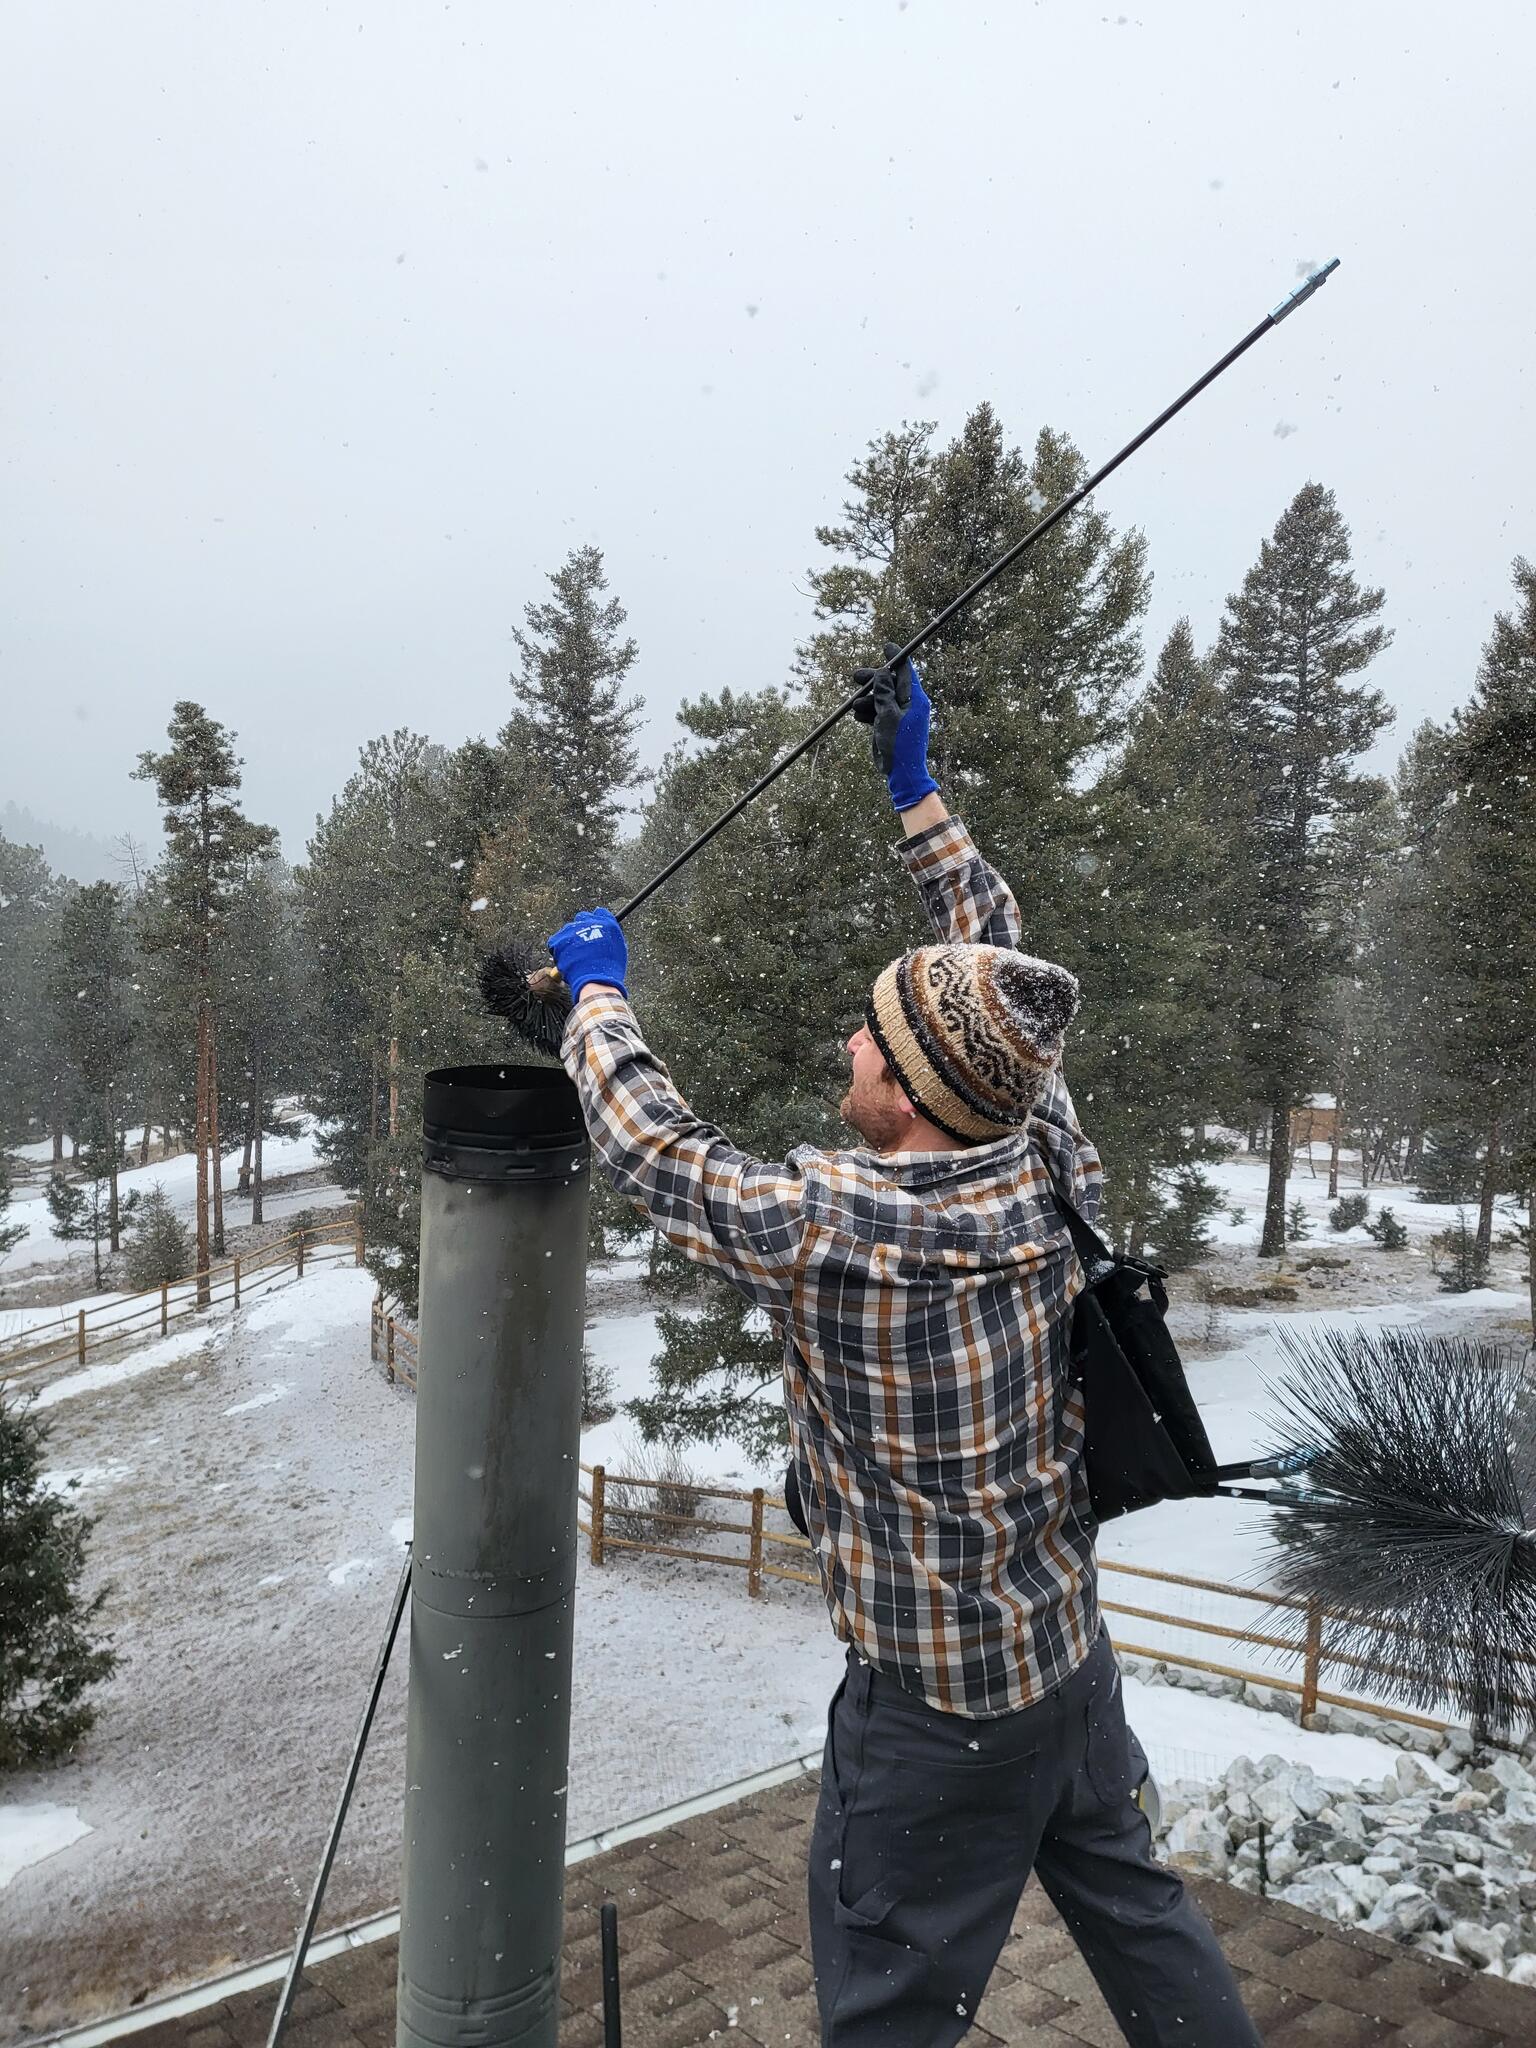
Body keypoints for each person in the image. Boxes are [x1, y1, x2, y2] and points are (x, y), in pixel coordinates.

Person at [550, 655, 1260, 2047]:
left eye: (869, 1039)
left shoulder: (843, 1227)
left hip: (934, 1723)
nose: (847, 1041)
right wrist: (918, 793)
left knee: (887, 2013)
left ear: (916, 1093)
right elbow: (1002, 974)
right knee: (1144, 1923)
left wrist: (594, 1001)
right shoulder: (1043, 1153)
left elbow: (654, 1150)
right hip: (1066, 1663)